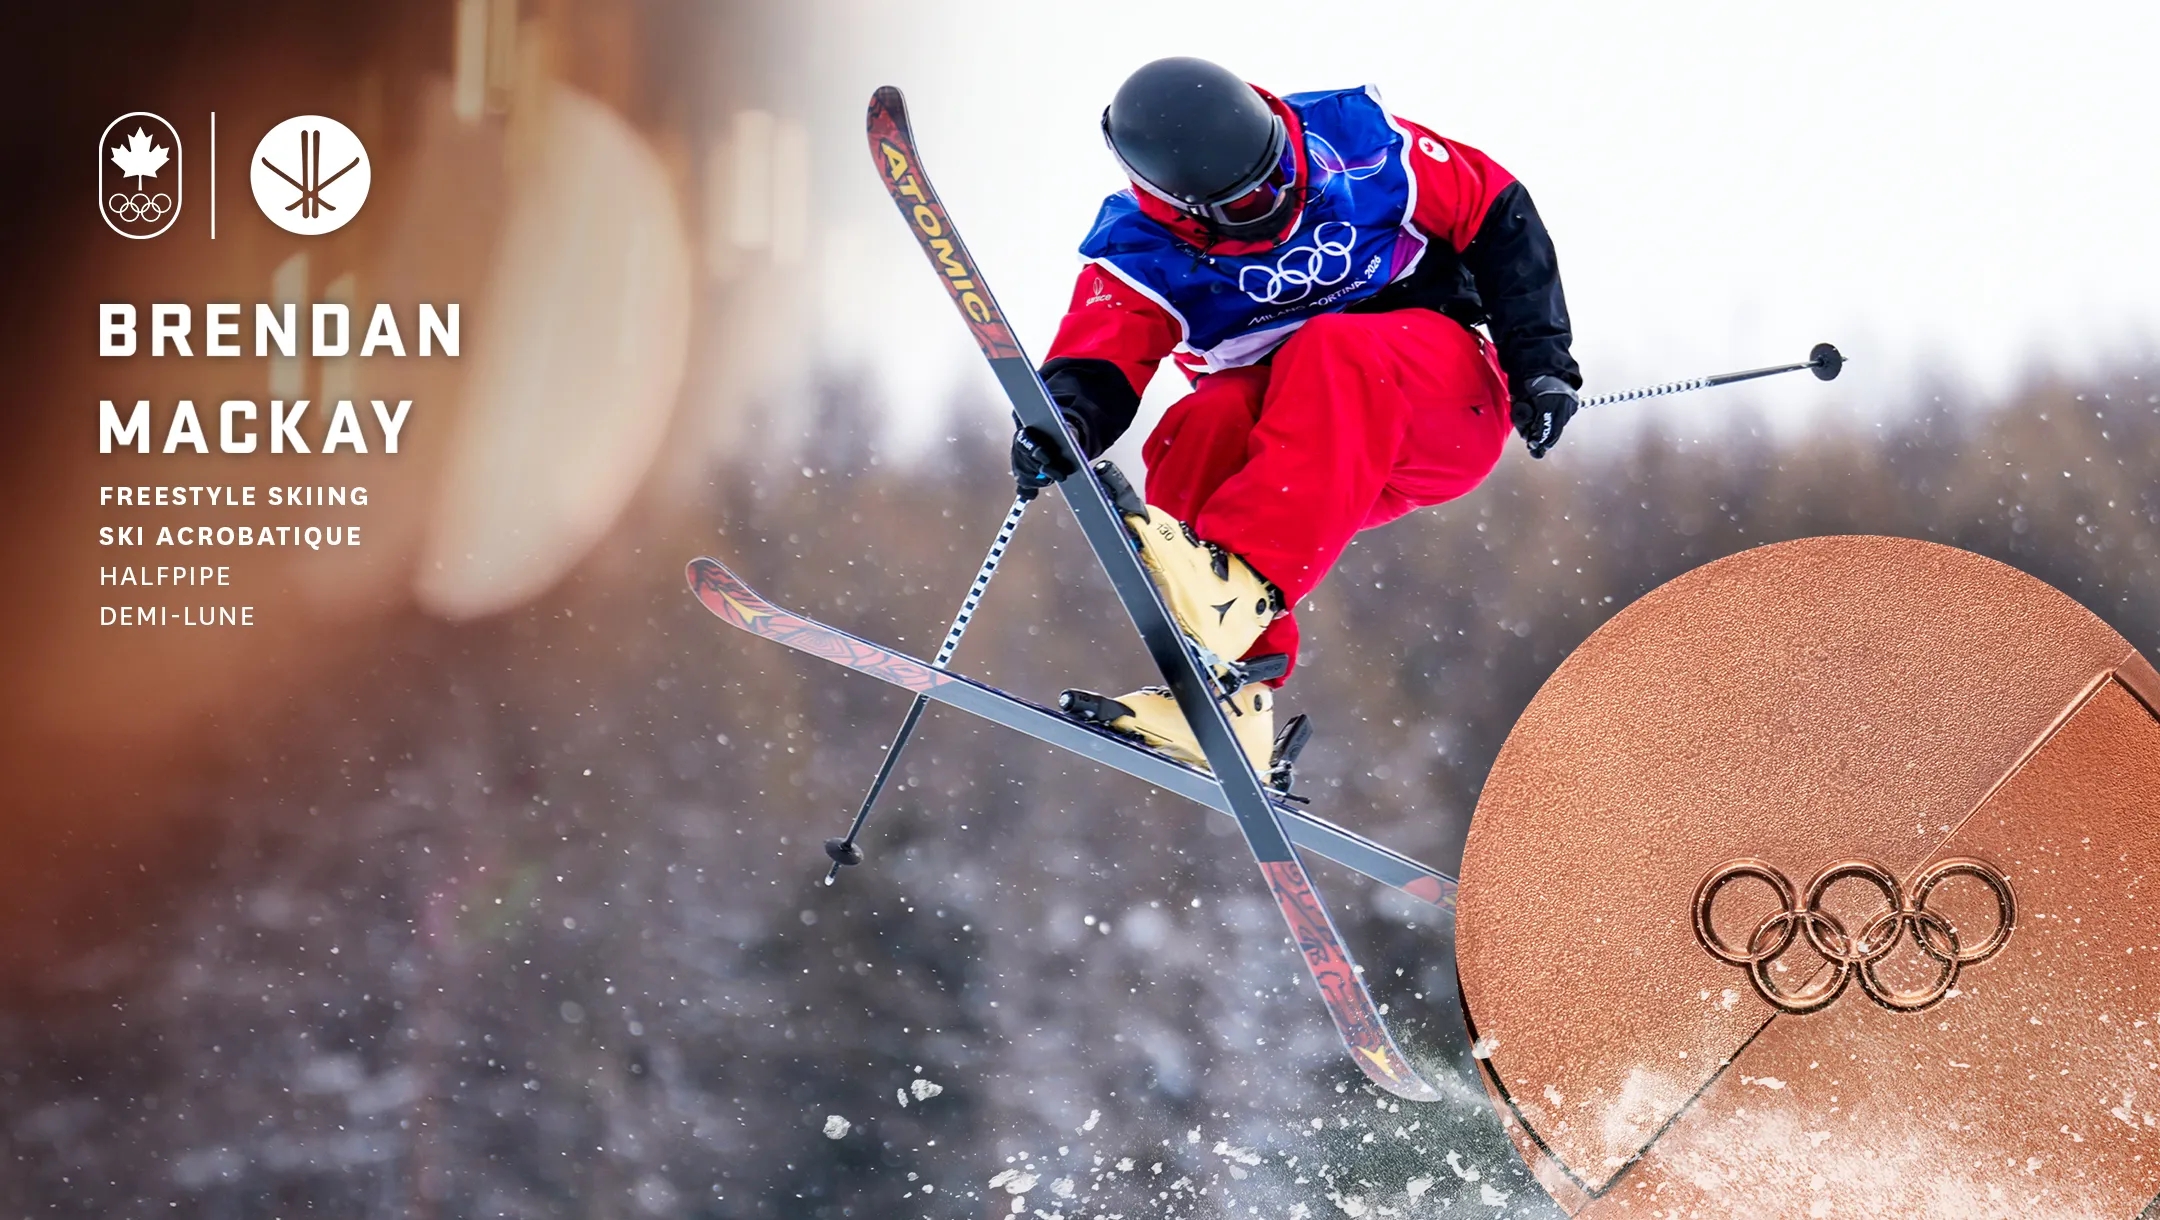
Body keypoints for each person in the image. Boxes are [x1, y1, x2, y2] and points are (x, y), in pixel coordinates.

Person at [1013, 56, 1581, 780]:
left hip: (1438, 405)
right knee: (1201, 425)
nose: (1282, 203)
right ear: (1189, 213)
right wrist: (1062, 426)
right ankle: (1229, 694)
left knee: (1331, 344)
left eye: (1283, 174)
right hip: (1318, 467)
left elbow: (1498, 215)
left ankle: (1238, 588)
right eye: (1252, 207)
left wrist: (1541, 362)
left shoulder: (1360, 146)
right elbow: (1099, 360)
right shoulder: (1142, 254)